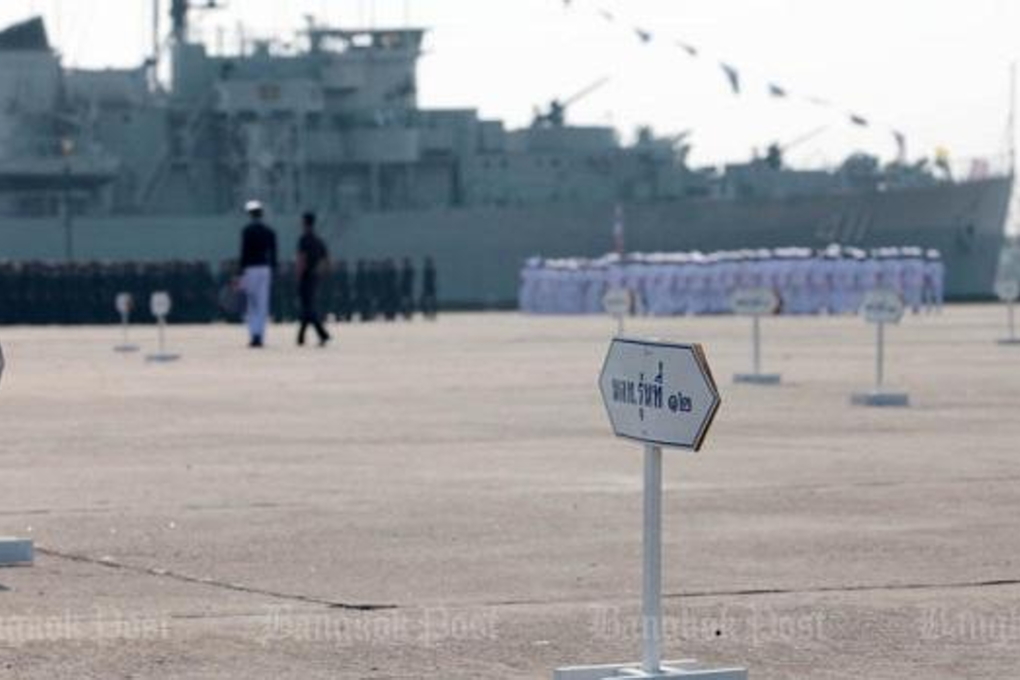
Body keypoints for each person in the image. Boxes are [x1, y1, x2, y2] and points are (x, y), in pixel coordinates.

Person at [238, 200, 278, 347]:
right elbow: (274, 254)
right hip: (265, 268)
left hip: (251, 268)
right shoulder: (269, 231)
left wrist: (241, 272)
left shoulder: (247, 231)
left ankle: (254, 335)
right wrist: (273, 270)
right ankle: (261, 335)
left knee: (252, 303)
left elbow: (244, 252)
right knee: (263, 303)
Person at [295, 211, 331, 347]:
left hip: (305, 276)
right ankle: (301, 337)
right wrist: (319, 272)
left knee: (308, 308)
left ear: (304, 223)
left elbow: (301, 259)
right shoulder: (318, 240)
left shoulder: (303, 239)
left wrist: (298, 276)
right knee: (308, 307)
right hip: (314, 277)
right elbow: (327, 261)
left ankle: (322, 334)